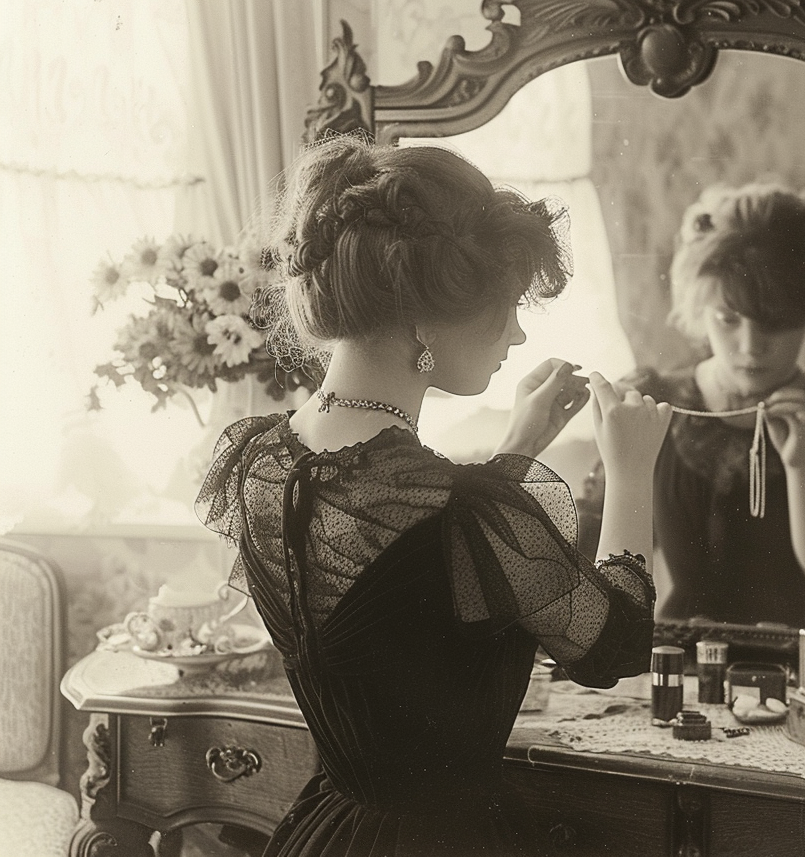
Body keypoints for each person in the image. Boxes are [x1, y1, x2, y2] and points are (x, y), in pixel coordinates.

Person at [195, 134, 672, 856]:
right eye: (506, 305)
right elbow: (614, 645)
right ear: (422, 318)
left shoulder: (254, 461)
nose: (515, 332)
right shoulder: (461, 509)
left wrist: (517, 448)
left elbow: (406, 575)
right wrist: (633, 471)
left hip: (332, 831)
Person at [582, 183, 805, 627]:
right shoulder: (653, 402)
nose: (751, 347)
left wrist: (800, 465)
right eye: (728, 320)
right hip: (676, 656)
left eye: (775, 324)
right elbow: (595, 561)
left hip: (792, 661)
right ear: (700, 309)